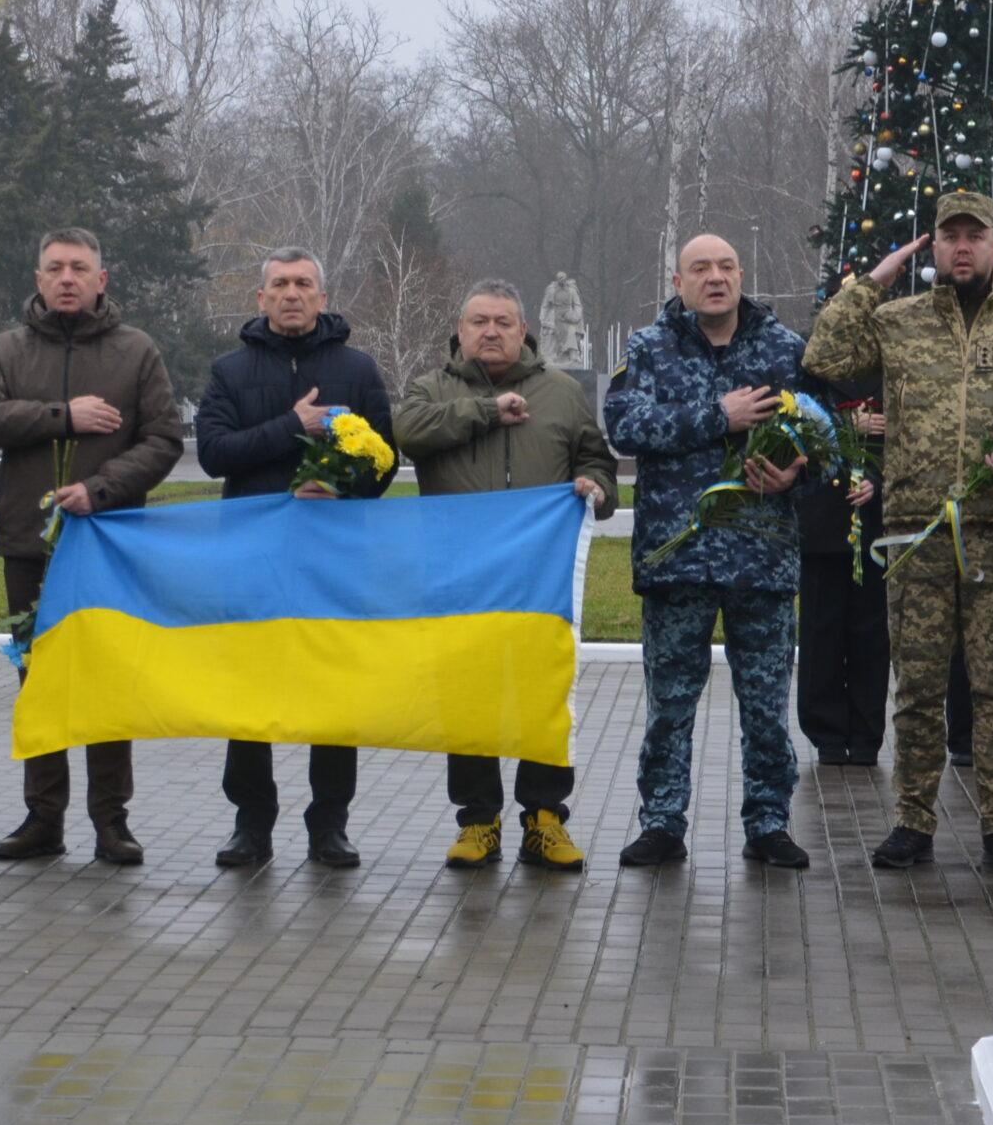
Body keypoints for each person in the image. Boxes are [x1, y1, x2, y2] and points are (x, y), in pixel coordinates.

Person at [801, 190, 993, 875]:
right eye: (948, 236)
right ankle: (912, 819)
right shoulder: (898, 322)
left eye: (973, 236)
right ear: (933, 247)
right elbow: (825, 356)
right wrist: (877, 278)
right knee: (919, 685)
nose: (962, 247)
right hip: (917, 530)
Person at [0, 227, 182, 865]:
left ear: (101, 280)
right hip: (30, 547)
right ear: (37, 278)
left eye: (78, 269)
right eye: (54, 268)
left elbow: (164, 439)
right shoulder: (8, 349)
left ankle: (111, 821)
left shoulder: (136, 351)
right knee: (38, 679)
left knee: (108, 681)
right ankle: (42, 819)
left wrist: (100, 489)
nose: (66, 279)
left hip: (109, 543)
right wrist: (63, 415)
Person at [606, 236, 811, 871]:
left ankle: (769, 822)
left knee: (767, 706)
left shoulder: (783, 350)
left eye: (725, 267)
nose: (715, 278)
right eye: (701, 269)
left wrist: (797, 471)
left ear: (741, 275)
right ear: (678, 280)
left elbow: (817, 432)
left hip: (762, 556)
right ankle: (663, 821)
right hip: (679, 559)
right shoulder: (647, 348)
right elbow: (624, 427)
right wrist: (717, 415)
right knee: (669, 704)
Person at [399, 280, 617, 869]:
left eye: (503, 322)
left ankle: (545, 818)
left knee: (543, 696)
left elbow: (596, 459)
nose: (490, 332)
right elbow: (408, 433)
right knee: (469, 698)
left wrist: (596, 487)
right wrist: (486, 412)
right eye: (479, 322)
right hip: (459, 578)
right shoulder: (431, 388)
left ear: (525, 331)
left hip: (537, 579)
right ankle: (478, 821)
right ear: (460, 330)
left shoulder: (563, 393)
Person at [193, 248, 394, 869]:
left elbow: (384, 461)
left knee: (333, 696)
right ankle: (251, 824)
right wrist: (292, 426)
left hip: (332, 564)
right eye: (279, 284)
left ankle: (328, 825)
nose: (291, 294)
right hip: (252, 563)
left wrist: (339, 485)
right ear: (260, 298)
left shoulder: (357, 369)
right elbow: (214, 454)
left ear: (322, 296)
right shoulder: (229, 370)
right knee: (249, 697)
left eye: (303, 284)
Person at [797, 366, 889, 767]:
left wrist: (877, 479)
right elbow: (793, 422)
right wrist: (843, 425)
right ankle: (827, 734)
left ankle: (867, 734)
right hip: (823, 520)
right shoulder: (811, 370)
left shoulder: (892, 369)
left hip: (875, 526)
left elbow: (916, 438)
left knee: (870, 633)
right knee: (822, 631)